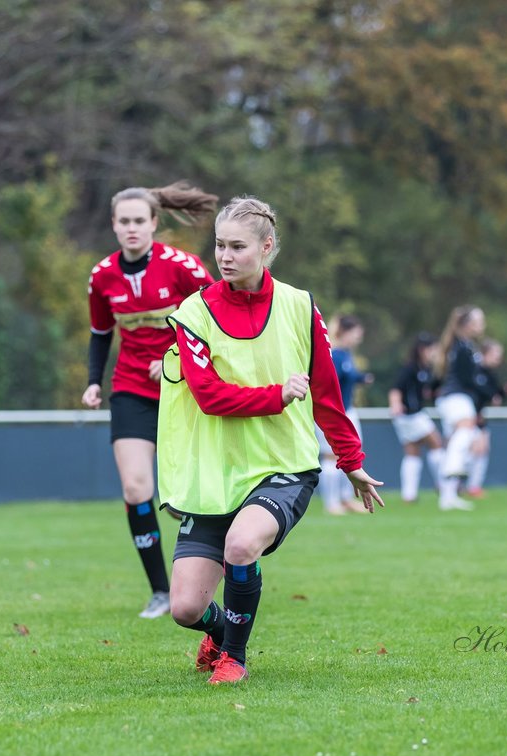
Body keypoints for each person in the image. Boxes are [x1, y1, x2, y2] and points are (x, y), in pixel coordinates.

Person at [158, 196, 385, 684]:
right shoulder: (193, 313)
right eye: (219, 245)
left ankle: (234, 657)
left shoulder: (300, 306)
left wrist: (351, 461)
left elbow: (327, 392)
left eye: (238, 246)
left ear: (266, 248)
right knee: (183, 608)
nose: (225, 256)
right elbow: (209, 397)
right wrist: (277, 394)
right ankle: (220, 633)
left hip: (283, 465)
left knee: (242, 545)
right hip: (216, 474)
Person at [81, 182, 218, 619]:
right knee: (136, 486)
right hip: (131, 389)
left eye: (140, 220)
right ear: (114, 226)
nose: (132, 228)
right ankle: (161, 591)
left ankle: (215, 578)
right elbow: (101, 333)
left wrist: (178, 359)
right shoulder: (102, 276)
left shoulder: (184, 267)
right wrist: (92, 381)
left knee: (200, 492)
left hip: (186, 392)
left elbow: (218, 317)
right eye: (124, 221)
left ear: (155, 224)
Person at [430, 305, 488, 511]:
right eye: (478, 321)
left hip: (455, 399)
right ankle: (452, 467)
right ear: (467, 325)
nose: (482, 325)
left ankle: (448, 497)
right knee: (465, 431)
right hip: (456, 398)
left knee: (460, 442)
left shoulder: (464, 345)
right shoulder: (462, 347)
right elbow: (468, 379)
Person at [318, 314, 374, 514]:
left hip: (348, 411)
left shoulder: (346, 355)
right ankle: (331, 503)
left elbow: (347, 377)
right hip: (333, 413)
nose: (358, 338)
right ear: (345, 332)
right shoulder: (333, 354)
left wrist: (362, 378)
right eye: (356, 333)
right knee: (331, 456)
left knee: (351, 454)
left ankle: (345, 499)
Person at [388, 333, 444, 503]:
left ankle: (409, 495)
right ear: (422, 350)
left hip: (412, 415)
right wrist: (395, 404)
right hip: (410, 415)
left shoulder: (425, 370)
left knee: (412, 453)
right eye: (431, 349)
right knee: (436, 442)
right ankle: (443, 483)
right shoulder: (410, 368)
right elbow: (395, 389)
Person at [464, 338, 507, 499]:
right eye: (496, 354)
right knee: (471, 450)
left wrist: (502, 393)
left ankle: (471, 486)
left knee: (481, 449)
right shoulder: (473, 370)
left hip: (478, 415)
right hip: (467, 416)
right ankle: (462, 485)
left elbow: (494, 397)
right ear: (485, 353)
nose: (499, 358)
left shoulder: (489, 373)